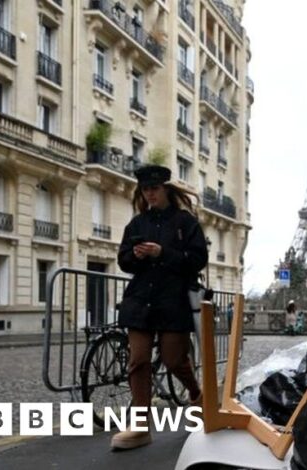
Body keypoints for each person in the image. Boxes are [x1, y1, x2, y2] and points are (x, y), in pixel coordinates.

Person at [111, 165, 207, 451]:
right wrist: (137, 255)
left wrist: (163, 253)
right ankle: (141, 425)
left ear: (166, 189)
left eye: (154, 188)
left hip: (173, 301)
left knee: (174, 359)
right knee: (138, 360)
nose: (149, 194)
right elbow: (123, 260)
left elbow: (197, 259)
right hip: (140, 300)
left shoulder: (185, 222)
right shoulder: (137, 224)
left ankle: (196, 394)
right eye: (145, 189)